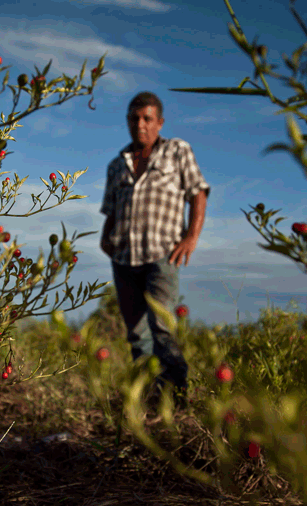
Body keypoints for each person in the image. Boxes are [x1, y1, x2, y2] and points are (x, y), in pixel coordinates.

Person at [99, 91, 211, 408]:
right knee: (137, 335)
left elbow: (198, 192)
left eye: (147, 118)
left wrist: (191, 236)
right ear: (127, 122)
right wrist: (105, 238)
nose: (141, 124)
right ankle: (149, 401)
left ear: (159, 122)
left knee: (162, 330)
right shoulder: (116, 165)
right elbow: (110, 209)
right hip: (123, 258)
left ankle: (178, 401)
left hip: (163, 254)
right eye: (134, 118)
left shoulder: (177, 151)